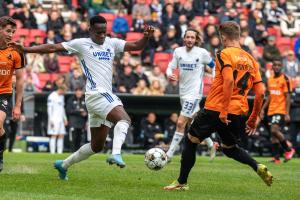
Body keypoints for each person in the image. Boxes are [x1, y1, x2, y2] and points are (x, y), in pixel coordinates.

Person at [12, 15, 154, 180]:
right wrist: (26, 49)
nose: (102, 36)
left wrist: (146, 37)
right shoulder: (81, 44)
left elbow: (136, 45)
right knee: (125, 120)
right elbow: (52, 47)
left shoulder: (111, 43)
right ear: (90, 30)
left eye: (104, 32)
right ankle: (116, 153)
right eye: (98, 32)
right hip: (97, 94)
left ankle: (63, 165)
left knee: (96, 146)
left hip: (98, 98)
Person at [164, 21, 273, 191]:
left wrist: (223, 110)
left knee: (190, 140)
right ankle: (257, 165)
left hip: (216, 108)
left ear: (223, 37)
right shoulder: (252, 59)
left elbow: (229, 80)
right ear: (238, 36)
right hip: (238, 112)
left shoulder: (223, 54)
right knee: (230, 149)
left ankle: (181, 182)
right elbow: (260, 93)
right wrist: (253, 119)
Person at [165, 28, 216, 162]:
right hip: (183, 93)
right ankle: (212, 144)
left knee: (181, 122)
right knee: (194, 123)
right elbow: (170, 67)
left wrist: (215, 79)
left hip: (194, 94)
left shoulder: (202, 53)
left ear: (196, 39)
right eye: (188, 37)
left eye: (192, 37)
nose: (190, 40)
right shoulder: (178, 51)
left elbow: (214, 65)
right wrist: (170, 74)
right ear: (184, 38)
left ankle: (169, 155)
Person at [0, 16, 25, 172]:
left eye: (13, 32)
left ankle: (0, 154)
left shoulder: (16, 51)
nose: (11, 35)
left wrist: (17, 106)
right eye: (8, 31)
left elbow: (21, 80)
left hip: (3, 94)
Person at [260, 58, 295, 164]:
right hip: (271, 110)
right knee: (273, 136)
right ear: (272, 67)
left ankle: (289, 150)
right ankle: (276, 158)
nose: (277, 67)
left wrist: (287, 113)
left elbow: (288, 96)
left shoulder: (285, 79)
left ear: (282, 67)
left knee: (274, 130)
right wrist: (263, 109)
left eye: (279, 65)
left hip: (280, 109)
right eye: (275, 65)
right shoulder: (270, 79)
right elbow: (269, 96)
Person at [47, 85, 68, 154]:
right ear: (61, 90)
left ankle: (59, 152)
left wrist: (65, 118)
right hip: (54, 118)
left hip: (61, 119)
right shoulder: (52, 96)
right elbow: (49, 109)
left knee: (61, 134)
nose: (64, 93)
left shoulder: (62, 97)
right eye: (64, 91)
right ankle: (52, 152)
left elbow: (62, 108)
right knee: (54, 135)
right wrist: (51, 120)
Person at [66, 87, 88, 152]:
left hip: (81, 122)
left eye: (80, 92)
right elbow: (68, 110)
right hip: (73, 122)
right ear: (75, 92)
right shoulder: (71, 100)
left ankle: (77, 152)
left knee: (79, 138)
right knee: (73, 138)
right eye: (77, 92)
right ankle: (72, 151)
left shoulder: (84, 100)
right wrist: (79, 111)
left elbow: (88, 110)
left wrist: (85, 113)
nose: (79, 93)